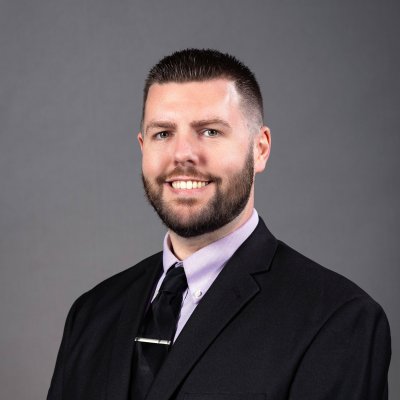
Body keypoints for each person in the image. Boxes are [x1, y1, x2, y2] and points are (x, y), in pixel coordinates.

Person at [47, 49, 391, 400]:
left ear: (260, 149)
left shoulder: (338, 321)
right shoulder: (91, 313)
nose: (182, 154)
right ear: (142, 147)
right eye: (163, 133)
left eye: (210, 131)